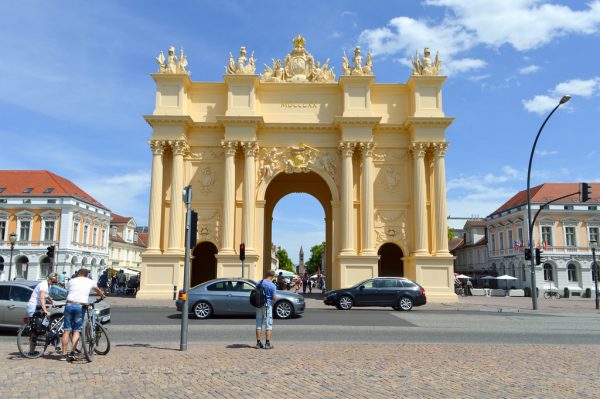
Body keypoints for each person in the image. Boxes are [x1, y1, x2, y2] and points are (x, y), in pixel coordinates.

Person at [60, 268, 105, 361]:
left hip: (69, 304)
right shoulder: (90, 281)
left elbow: (67, 290)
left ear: (79, 273)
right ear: (86, 274)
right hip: (80, 306)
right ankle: (72, 353)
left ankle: (64, 354)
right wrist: (102, 296)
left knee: (66, 330)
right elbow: (97, 290)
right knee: (76, 330)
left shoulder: (71, 280)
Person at [255, 270, 277, 350]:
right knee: (268, 324)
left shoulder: (258, 283)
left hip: (258, 305)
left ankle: (258, 343)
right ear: (272, 276)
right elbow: (274, 297)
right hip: (267, 306)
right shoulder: (272, 285)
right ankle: (267, 343)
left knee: (258, 324)